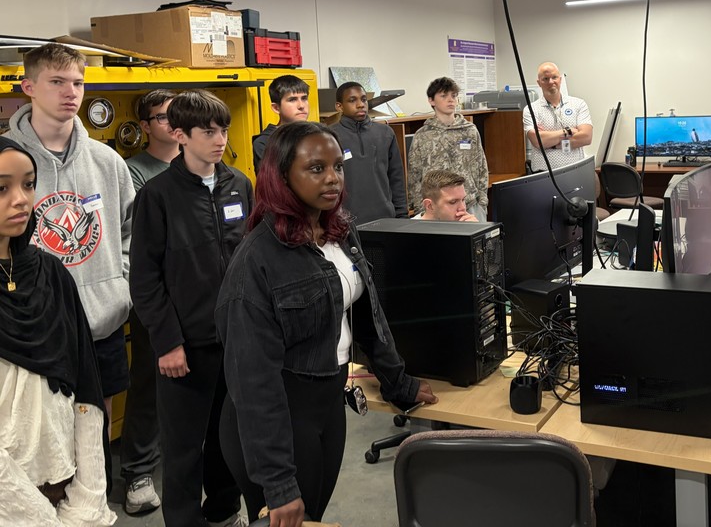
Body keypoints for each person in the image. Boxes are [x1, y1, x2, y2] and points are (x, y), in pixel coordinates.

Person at [216, 122, 437, 526]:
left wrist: (399, 383)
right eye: (316, 169)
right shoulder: (257, 261)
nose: (333, 178)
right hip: (282, 413)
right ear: (282, 176)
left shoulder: (338, 229)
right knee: (291, 518)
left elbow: (367, 318)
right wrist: (279, 485)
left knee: (315, 514)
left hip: (328, 402)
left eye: (338, 166)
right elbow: (252, 382)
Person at [4, 43, 135, 487]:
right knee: (39, 441)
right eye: (57, 82)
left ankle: (95, 504)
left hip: (101, 319)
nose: (70, 93)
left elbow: (131, 231)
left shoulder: (108, 162)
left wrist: (121, 283)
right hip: (33, 326)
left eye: (78, 83)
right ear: (28, 87)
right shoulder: (9, 163)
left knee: (95, 424)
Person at [129, 90, 251, 527]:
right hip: (183, 348)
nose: (219, 140)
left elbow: (248, 264)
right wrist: (168, 343)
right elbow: (144, 280)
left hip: (234, 342)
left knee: (228, 439)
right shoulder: (157, 196)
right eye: (208, 131)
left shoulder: (240, 185)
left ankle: (223, 512)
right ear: (180, 135)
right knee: (182, 449)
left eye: (223, 130)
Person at [0, 137, 115, 527]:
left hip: (61, 483)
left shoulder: (51, 274)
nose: (21, 199)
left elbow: (85, 384)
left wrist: (88, 496)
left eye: (28, 184)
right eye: (1, 188)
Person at [120, 89, 179, 515]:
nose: (170, 123)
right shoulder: (134, 172)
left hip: (200, 295)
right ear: (145, 127)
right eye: (161, 117)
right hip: (155, 295)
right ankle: (138, 471)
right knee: (148, 383)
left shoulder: (210, 166)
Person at [407, 77, 488, 221]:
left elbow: (482, 168)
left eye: (454, 96)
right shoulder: (422, 135)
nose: (451, 100)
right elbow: (414, 176)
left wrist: (482, 203)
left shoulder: (470, 130)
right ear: (431, 100)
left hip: (469, 205)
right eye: (444, 96)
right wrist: (422, 209)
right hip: (438, 209)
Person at [328, 81, 408, 222]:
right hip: (346, 222)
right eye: (352, 100)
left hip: (385, 219)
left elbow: (396, 178)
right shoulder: (329, 136)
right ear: (339, 106)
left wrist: (402, 215)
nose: (360, 104)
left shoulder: (385, 133)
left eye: (364, 99)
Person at [523, 62, 593, 172]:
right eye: (545, 79)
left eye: (554, 77)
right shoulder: (531, 109)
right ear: (539, 83)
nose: (551, 82)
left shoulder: (578, 104)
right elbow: (537, 141)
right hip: (544, 174)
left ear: (560, 79)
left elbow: (586, 137)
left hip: (575, 171)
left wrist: (552, 144)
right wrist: (568, 131)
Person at [252, 74, 310, 172]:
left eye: (304, 98)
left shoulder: (317, 135)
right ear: (276, 108)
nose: (301, 106)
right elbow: (270, 183)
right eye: (292, 100)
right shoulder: (265, 143)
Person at [413, 169, 479, 222]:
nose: (463, 208)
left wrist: (476, 234)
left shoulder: (466, 225)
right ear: (430, 206)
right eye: (453, 202)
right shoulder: (409, 234)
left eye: (463, 199)